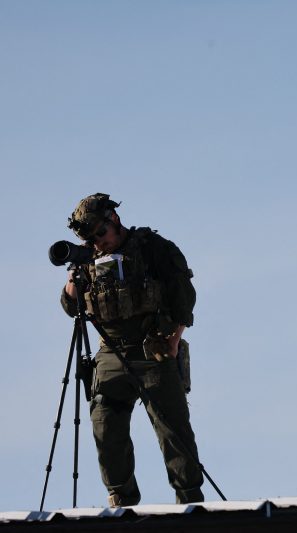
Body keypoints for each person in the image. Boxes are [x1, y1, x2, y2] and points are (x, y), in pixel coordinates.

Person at [60, 193, 204, 506]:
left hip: (152, 345)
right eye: (91, 238)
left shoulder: (152, 248)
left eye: (101, 233)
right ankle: (121, 501)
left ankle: (190, 500)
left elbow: (184, 296)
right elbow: (71, 307)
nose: (99, 243)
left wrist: (174, 339)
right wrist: (73, 279)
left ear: (115, 219)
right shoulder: (88, 258)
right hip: (111, 352)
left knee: (173, 430)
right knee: (105, 425)